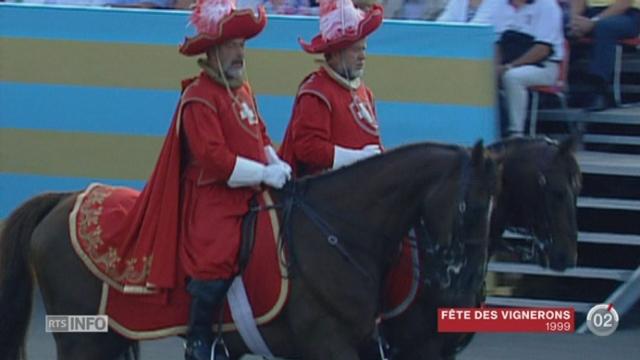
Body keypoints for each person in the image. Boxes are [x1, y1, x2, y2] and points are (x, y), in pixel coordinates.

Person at [278, 0, 384, 177]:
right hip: (324, 194)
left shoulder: (366, 93)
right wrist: (356, 158)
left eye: (363, 49)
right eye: (355, 50)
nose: (362, 56)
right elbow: (307, 147)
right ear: (335, 53)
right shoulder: (316, 92)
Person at [494, 0, 565, 136]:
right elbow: (496, 43)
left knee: (513, 77)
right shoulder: (500, 5)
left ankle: (516, 132)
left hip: (544, 67)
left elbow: (543, 49)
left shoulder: (547, 6)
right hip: (507, 63)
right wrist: (495, 67)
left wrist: (509, 67)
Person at [569, 0, 640, 111]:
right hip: (592, 13)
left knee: (604, 27)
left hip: (627, 14)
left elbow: (624, 4)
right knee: (560, 22)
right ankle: (564, 88)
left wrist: (593, 22)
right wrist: (574, 20)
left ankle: (598, 91)